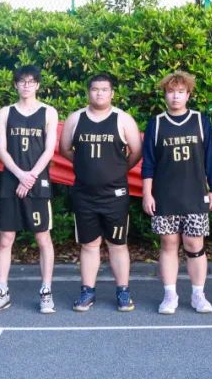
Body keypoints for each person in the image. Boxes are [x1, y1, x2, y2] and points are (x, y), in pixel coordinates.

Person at [59, 73, 142, 312]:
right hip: (84, 193)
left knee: (117, 243)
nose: (99, 93)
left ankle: (123, 292)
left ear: (112, 93)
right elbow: (65, 149)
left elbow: (136, 151)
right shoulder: (76, 118)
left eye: (104, 89)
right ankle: (87, 292)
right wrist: (86, 168)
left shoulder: (123, 119)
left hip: (115, 194)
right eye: (95, 89)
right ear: (89, 92)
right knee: (89, 244)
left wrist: (116, 170)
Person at [142, 71, 212, 314]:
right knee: (168, 243)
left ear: (188, 95)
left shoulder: (200, 121)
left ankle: (198, 295)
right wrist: (147, 193)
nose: (175, 96)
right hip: (165, 194)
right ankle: (170, 295)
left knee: (194, 244)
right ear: (165, 95)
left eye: (180, 92)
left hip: (195, 193)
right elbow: (148, 162)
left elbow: (210, 158)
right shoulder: (156, 123)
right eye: (171, 92)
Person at [0, 65, 59, 314]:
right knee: (6, 238)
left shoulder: (48, 112)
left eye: (31, 81)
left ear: (38, 85)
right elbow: (2, 149)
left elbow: (49, 150)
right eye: (22, 81)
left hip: (38, 183)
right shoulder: (6, 112)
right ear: (15, 85)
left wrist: (31, 177)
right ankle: (1, 291)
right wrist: (20, 175)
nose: (26, 85)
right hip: (11, 181)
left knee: (42, 237)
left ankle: (46, 291)